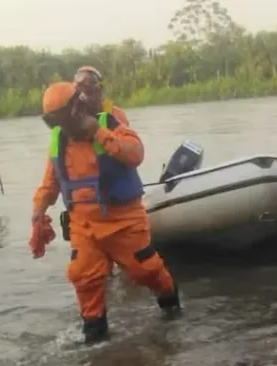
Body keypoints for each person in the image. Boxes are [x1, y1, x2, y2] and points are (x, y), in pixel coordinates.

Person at [28, 82, 180, 344]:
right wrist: (38, 211)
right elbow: (50, 183)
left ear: (77, 107)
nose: (62, 127)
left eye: (64, 119)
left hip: (123, 220)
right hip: (83, 225)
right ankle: (95, 337)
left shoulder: (110, 124)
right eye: (54, 122)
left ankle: (172, 309)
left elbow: (136, 154)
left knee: (146, 271)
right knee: (83, 277)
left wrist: (99, 134)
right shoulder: (58, 141)